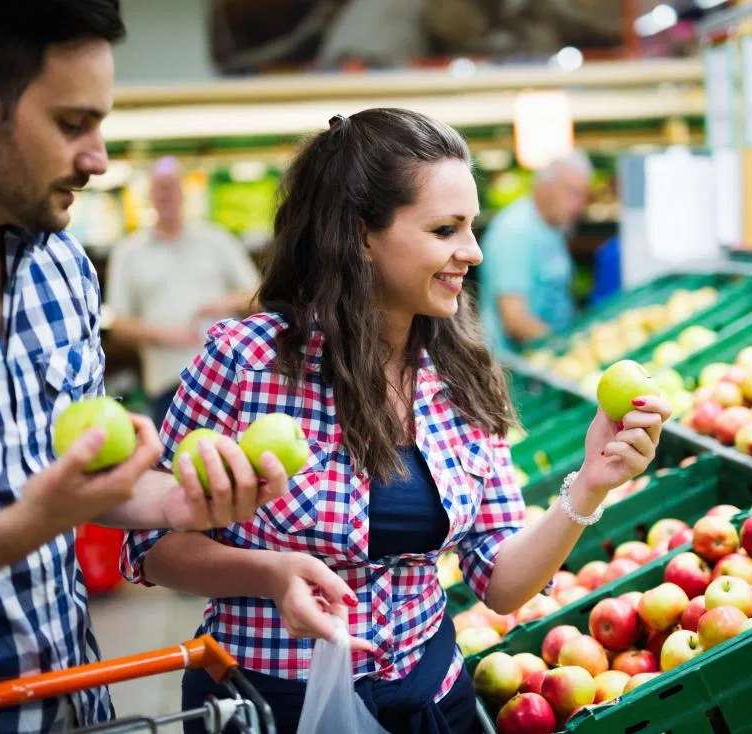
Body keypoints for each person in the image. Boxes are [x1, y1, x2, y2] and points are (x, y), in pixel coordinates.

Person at [120, 109, 670, 734]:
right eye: (445, 229)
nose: (473, 250)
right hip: (272, 699)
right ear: (360, 236)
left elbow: (500, 581)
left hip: (430, 700)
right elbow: (151, 547)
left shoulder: (460, 370)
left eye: (471, 226)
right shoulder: (245, 362)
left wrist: (592, 483)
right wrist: (269, 575)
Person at [0, 2, 289, 732]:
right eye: (73, 125)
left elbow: (75, 483)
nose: (100, 158)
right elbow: (39, 512)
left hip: (82, 709)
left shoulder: (63, 270)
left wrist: (171, 504)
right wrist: (31, 524)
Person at [105, 156, 263, 429]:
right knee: (171, 470)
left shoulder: (218, 240)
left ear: (184, 192)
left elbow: (261, 295)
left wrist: (218, 303)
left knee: (235, 468)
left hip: (227, 383)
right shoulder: (128, 252)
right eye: (159, 188)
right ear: (149, 195)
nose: (165, 195)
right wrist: (165, 334)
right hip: (166, 388)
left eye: (171, 187)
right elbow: (117, 325)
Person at [477, 150, 592, 358]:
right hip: (516, 369)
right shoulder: (515, 231)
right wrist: (568, 350)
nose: (581, 205)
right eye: (573, 193)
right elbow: (514, 319)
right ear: (545, 189)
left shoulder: (552, 227)